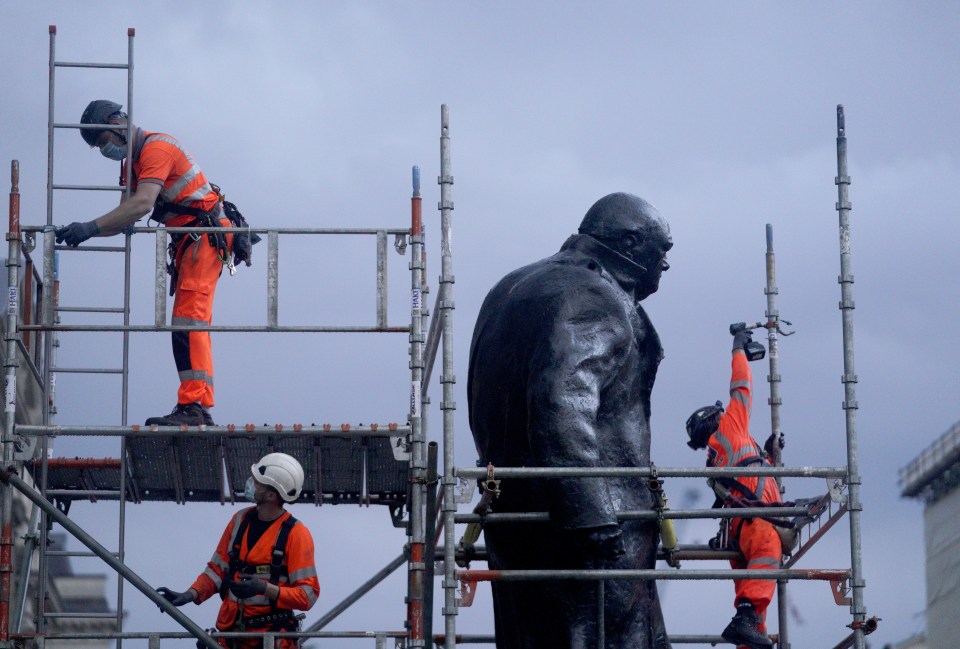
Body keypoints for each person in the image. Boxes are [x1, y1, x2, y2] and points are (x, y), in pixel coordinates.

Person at [468, 193, 673, 648]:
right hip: (587, 525)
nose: (665, 266)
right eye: (662, 252)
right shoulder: (591, 295)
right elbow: (561, 403)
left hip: (516, 515)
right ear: (631, 243)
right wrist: (592, 519)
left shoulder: (511, 286)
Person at [57, 100, 233, 426]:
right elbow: (125, 219)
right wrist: (84, 231)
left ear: (119, 124)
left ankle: (195, 406)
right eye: (98, 147)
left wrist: (90, 227)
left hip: (206, 235)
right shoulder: (131, 164)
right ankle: (197, 404)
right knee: (190, 324)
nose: (103, 150)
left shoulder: (157, 149)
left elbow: (141, 204)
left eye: (103, 141)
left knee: (188, 321)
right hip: (189, 239)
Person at [157, 452, 319, 648]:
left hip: (271, 639)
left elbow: (307, 594)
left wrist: (265, 589)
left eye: (258, 482)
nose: (251, 483)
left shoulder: (296, 534)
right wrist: (190, 594)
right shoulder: (239, 521)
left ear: (271, 495)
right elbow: (217, 570)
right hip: (231, 635)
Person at [685, 329, 781, 649]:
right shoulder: (729, 427)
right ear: (716, 418)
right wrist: (738, 348)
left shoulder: (717, 456)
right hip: (755, 522)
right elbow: (741, 386)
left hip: (739, 528)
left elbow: (748, 473)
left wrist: (766, 454)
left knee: (751, 603)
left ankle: (746, 632)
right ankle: (744, 621)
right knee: (768, 556)